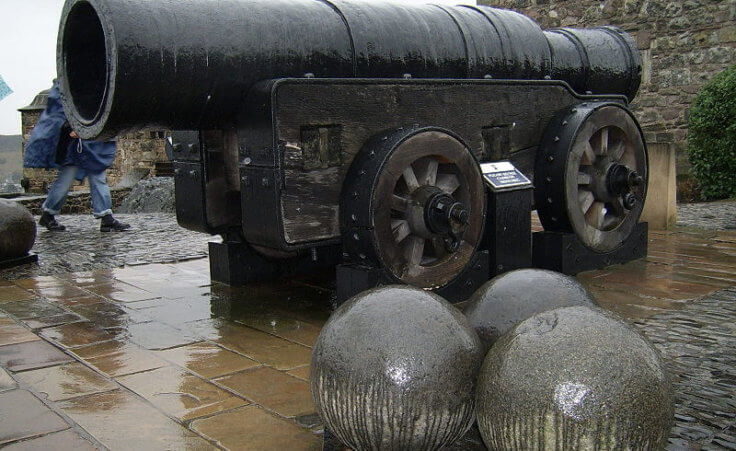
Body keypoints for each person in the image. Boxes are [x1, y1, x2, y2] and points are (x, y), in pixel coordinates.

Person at [23, 80, 130, 232]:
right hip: (78, 143)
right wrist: (70, 128)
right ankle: (50, 215)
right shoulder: (70, 84)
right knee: (70, 178)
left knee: (93, 175)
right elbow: (62, 110)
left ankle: (104, 217)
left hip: (89, 140)